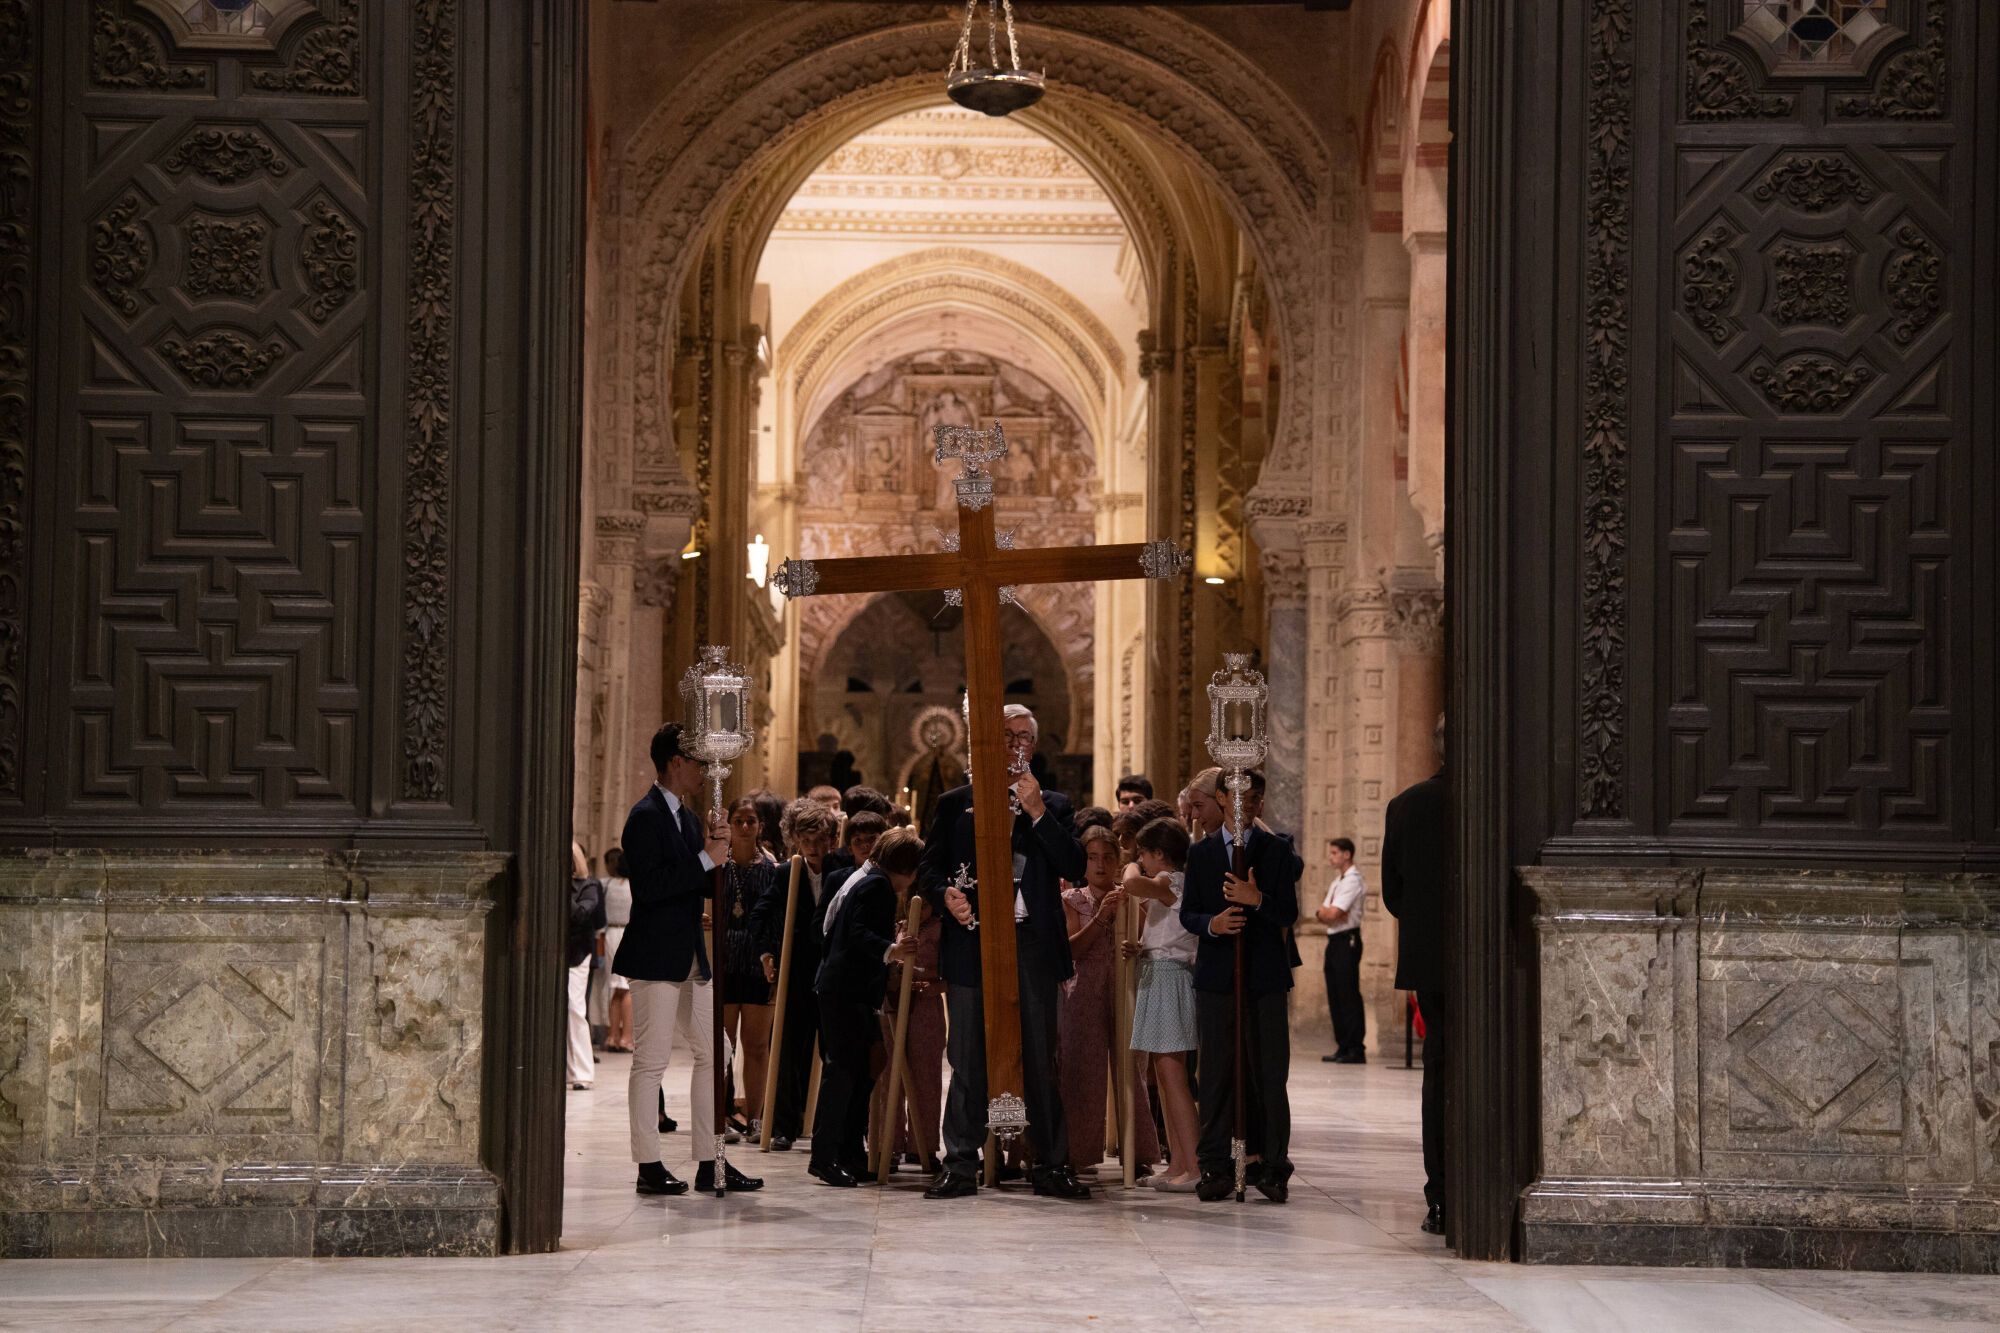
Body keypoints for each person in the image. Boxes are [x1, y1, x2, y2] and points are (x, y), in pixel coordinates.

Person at [918, 703, 1091, 1200]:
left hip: (1032, 945)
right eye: (1006, 736)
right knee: (967, 1055)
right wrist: (945, 896)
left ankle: (1050, 1164)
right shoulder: (955, 803)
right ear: (989, 745)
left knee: (1039, 1055)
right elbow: (929, 870)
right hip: (973, 944)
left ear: (1034, 746)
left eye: (1023, 737)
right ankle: (959, 1163)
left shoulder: (1054, 805)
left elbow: (1075, 866)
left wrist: (1036, 812)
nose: (1015, 745)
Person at [614, 722, 763, 1198]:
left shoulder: (686, 816)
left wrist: (718, 849)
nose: (704, 770)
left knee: (716, 1050)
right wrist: (704, 859)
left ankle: (708, 1160)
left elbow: (700, 883)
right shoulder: (645, 816)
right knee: (651, 1060)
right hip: (656, 954)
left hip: (690, 954)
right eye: (698, 761)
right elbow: (650, 887)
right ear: (676, 762)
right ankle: (648, 1165)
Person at [1179, 767, 1301, 1203]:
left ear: (1259, 804)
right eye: (1235, 796)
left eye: (1252, 799)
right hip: (1217, 976)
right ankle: (1214, 1165)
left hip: (1264, 977)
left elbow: (1287, 912)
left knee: (1270, 1073)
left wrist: (1257, 900)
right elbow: (1189, 912)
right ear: (1221, 799)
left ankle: (1273, 1166)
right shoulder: (1202, 853)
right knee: (1215, 1074)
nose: (1243, 805)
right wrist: (1212, 924)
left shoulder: (1276, 850)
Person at [808, 827, 924, 1186]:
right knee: (842, 1073)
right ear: (906, 868)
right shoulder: (877, 887)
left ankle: (848, 1152)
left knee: (864, 1067)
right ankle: (825, 1156)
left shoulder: (867, 880)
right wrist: (893, 950)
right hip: (847, 990)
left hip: (846, 989)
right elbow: (856, 933)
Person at [1057, 826, 1157, 1178]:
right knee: (1082, 1071)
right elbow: (1071, 949)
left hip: (1124, 988)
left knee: (1131, 1071)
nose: (1100, 865)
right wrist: (1101, 918)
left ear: (1119, 861)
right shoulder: (1071, 900)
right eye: (1092, 857)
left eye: (1108, 857)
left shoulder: (1132, 899)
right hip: (1083, 992)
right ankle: (1078, 1151)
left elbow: (1149, 942)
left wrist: (1138, 948)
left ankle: (1137, 1152)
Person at [1383, 714, 1448, 1236]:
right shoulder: (1504, 799)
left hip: (1432, 958)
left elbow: (1394, 895)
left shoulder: (1406, 804)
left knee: (1439, 1072)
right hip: (1499, 961)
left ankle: (1441, 1196)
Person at [751, 797, 842, 1151]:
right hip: (798, 970)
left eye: (820, 840)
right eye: (806, 841)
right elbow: (760, 915)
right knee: (789, 1050)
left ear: (831, 839)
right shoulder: (787, 871)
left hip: (833, 970)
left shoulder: (841, 868)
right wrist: (766, 954)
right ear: (795, 841)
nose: (814, 848)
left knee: (834, 1050)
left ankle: (829, 1127)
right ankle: (783, 1127)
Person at [1124, 816, 1200, 1191]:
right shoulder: (1168, 885)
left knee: (1173, 1078)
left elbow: (1131, 882)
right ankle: (1178, 1164)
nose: (1140, 860)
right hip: (1159, 974)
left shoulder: (1172, 881)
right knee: (1165, 1078)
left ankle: (1195, 1165)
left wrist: (1129, 862)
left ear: (1159, 853)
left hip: (1170, 977)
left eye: (1144, 853)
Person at [873, 866, 945, 1174]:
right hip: (894, 1004)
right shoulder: (897, 928)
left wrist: (931, 982)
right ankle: (889, 1143)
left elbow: (950, 974)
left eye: (926, 902)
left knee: (926, 1077)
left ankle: (923, 1145)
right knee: (891, 1075)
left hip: (926, 1007)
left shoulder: (942, 930)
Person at [720, 797, 777, 1139]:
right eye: (738, 820)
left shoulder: (772, 868)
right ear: (728, 824)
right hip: (724, 963)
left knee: (756, 1046)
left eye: (750, 821)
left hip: (758, 964)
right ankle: (721, 1116)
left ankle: (756, 1118)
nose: (744, 827)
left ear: (760, 826)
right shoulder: (716, 865)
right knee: (722, 1048)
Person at [1317, 836, 1367, 1064]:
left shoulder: (1353, 880)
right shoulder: (1337, 881)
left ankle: (1356, 1048)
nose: (1331, 857)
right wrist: (1326, 913)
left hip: (1348, 940)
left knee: (1348, 993)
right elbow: (1323, 913)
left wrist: (1330, 913)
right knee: (1335, 994)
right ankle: (1343, 1045)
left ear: (1347, 854)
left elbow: (1335, 913)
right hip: (1334, 940)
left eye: (1335, 853)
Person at [567, 843, 605, 1091]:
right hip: (553, 953)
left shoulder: (589, 886)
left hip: (577, 953)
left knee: (575, 1008)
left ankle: (582, 1072)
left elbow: (581, 915)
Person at [600, 847, 634, 1052]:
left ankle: (612, 1036)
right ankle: (626, 1038)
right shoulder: (635, 886)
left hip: (610, 935)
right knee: (628, 988)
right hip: (629, 934)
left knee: (615, 988)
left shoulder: (606, 885)